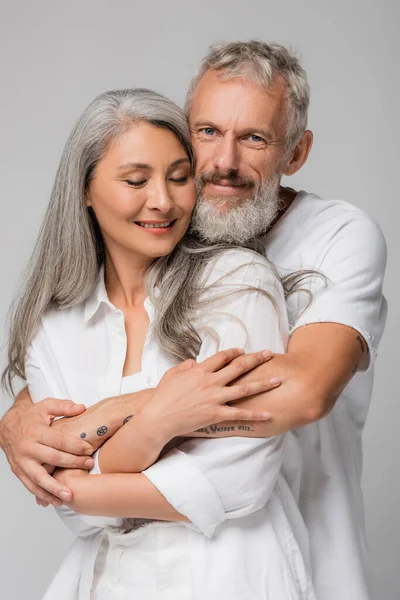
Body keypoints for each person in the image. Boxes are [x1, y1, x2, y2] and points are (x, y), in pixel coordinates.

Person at [0, 41, 387, 600]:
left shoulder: (335, 237)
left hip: (294, 556)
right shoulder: (170, 237)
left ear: (296, 153)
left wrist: (127, 415)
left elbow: (302, 392)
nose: (223, 163)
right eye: (206, 132)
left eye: (255, 137)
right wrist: (17, 419)